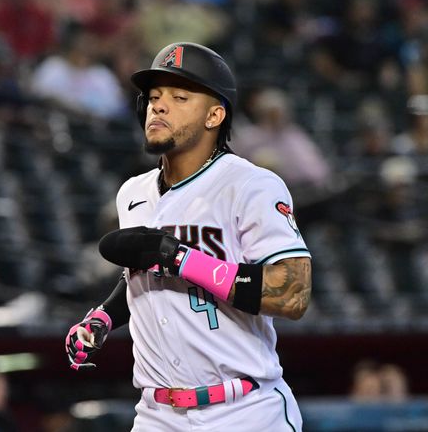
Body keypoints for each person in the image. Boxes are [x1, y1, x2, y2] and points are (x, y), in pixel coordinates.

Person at [65, 43, 312, 431]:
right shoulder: (132, 192)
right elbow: (144, 273)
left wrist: (180, 258)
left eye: (179, 97)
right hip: (157, 414)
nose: (158, 106)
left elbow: (293, 292)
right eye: (154, 97)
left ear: (215, 114)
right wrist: (103, 317)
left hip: (244, 410)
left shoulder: (251, 184)